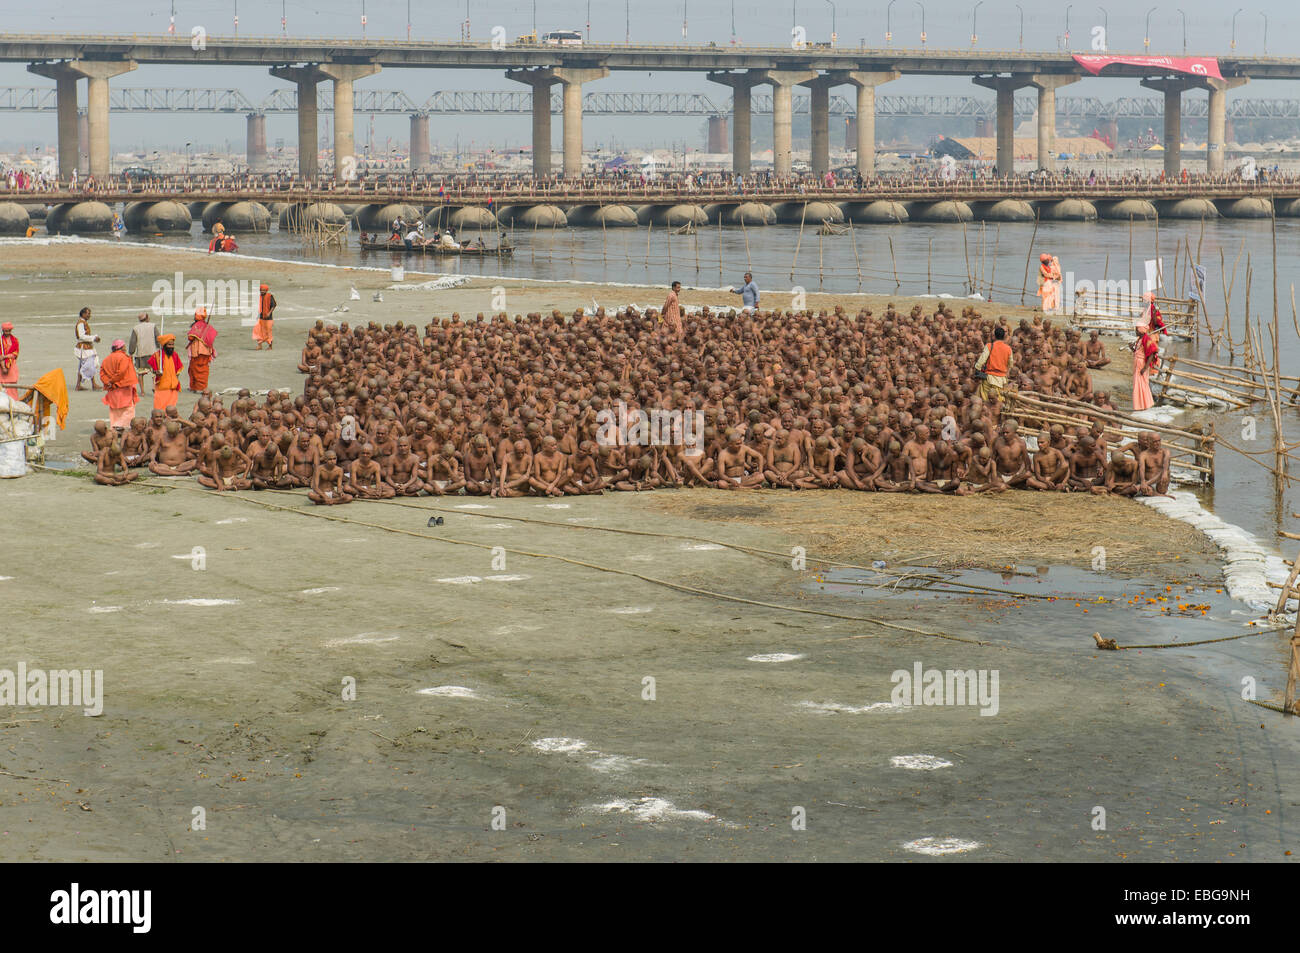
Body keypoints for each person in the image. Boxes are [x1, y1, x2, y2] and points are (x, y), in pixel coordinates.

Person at [99, 339, 139, 431]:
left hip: (112, 389)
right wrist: (114, 381)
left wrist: (108, 382)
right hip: (123, 387)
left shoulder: (106, 359)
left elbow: (102, 374)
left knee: (114, 409)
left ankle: (114, 427)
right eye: (124, 346)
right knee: (128, 408)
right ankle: (123, 427)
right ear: (122, 347)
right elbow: (121, 372)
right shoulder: (124, 358)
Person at [974, 325, 1013, 406]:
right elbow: (1010, 364)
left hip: (988, 378)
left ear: (994, 336)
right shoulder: (1008, 348)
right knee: (999, 401)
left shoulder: (989, 346)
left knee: (985, 400)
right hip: (1001, 380)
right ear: (1004, 337)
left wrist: (977, 369)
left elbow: (981, 361)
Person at [148, 334, 184, 410]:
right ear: (164, 345)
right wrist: (156, 372)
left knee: (171, 409)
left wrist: (176, 381)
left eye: (172, 345)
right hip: (161, 387)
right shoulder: (157, 355)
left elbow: (178, 370)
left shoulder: (175, 355)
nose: (171, 347)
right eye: (169, 345)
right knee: (160, 409)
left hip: (173, 387)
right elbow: (151, 368)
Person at [127, 311, 160, 395]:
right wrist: (160, 347)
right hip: (153, 352)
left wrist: (131, 352)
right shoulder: (153, 326)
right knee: (155, 372)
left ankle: (142, 391)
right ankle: (154, 387)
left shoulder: (136, 328)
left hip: (141, 354)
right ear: (147, 318)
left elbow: (133, 342)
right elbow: (158, 338)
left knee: (141, 373)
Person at [187, 307, 217, 392]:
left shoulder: (197, 326)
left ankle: (198, 387)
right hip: (206, 351)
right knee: (202, 369)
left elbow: (190, 337)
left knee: (196, 369)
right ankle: (197, 387)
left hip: (198, 352)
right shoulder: (207, 326)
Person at [1132, 323, 1160, 412]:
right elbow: (1138, 351)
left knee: (1141, 384)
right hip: (1137, 362)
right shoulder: (1140, 339)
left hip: (1142, 364)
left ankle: (1143, 404)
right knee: (1138, 383)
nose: (1135, 331)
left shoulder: (1147, 339)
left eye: (1136, 330)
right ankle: (1141, 404)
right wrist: (1131, 348)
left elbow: (1152, 353)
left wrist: (1145, 368)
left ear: (1141, 330)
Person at [73, 307, 102, 391]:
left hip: (86, 347)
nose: (89, 315)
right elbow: (82, 336)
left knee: (84, 365)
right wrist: (94, 338)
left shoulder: (83, 322)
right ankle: (93, 384)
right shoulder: (81, 323)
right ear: (83, 314)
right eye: (88, 313)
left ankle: (79, 385)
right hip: (84, 348)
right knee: (90, 364)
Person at [253, 283, 276, 351]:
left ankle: (270, 346)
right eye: (261, 290)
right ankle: (259, 345)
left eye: (263, 290)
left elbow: (273, 305)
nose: (262, 291)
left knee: (268, 332)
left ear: (266, 290)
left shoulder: (270, 296)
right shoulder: (259, 297)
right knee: (258, 331)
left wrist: (269, 313)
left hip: (268, 318)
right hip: (260, 317)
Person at [0, 322, 18, 400]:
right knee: (2, 384)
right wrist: (3, 367)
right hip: (1, 365)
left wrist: (6, 356)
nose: (7, 333)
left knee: (12, 383)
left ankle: (13, 401)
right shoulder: (0, 341)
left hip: (11, 365)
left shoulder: (15, 340)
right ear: (3, 331)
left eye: (9, 331)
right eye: (6, 331)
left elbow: (15, 353)